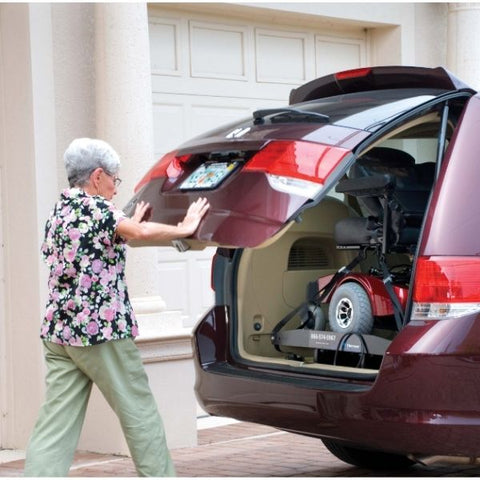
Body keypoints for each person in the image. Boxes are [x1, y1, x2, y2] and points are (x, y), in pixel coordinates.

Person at [24, 138, 209, 477]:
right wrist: (185, 227)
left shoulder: (60, 211)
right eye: (114, 179)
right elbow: (137, 231)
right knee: (139, 411)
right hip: (100, 333)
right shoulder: (98, 211)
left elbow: (110, 237)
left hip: (59, 334)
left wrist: (127, 223)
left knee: (56, 422)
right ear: (97, 176)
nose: (114, 186)